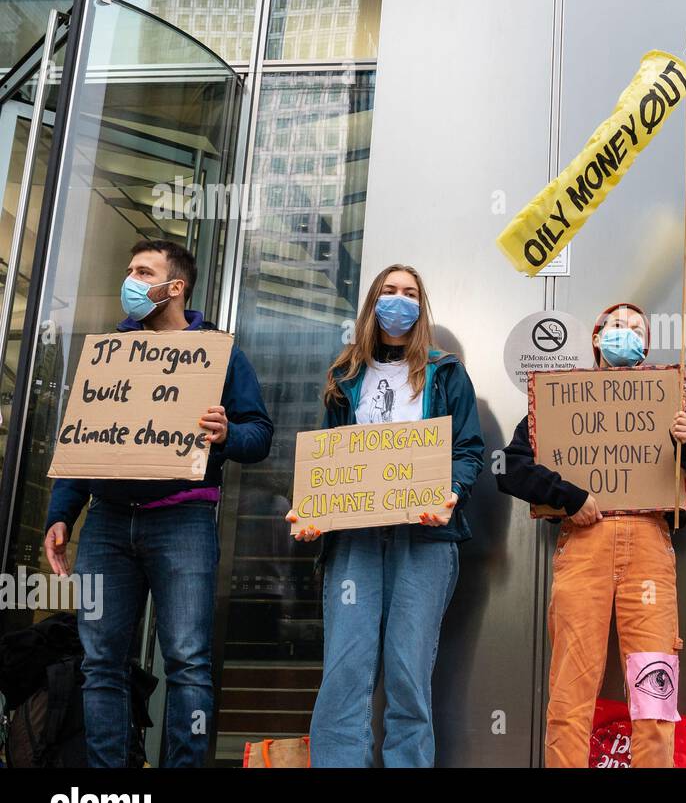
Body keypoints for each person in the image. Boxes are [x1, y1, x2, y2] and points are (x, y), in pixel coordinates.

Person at [43, 239, 273, 767]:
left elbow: (259, 435)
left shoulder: (219, 353)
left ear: (176, 287)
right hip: (105, 524)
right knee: (101, 662)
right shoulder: (110, 352)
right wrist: (61, 514)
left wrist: (226, 434)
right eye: (129, 270)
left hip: (184, 520)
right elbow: (84, 441)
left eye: (142, 272)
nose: (129, 279)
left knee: (188, 662)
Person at [496, 302, 686, 767]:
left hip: (650, 553)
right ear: (597, 337)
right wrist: (569, 496)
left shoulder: (668, 405)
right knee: (570, 689)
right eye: (618, 325)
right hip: (584, 544)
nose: (627, 332)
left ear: (646, 344)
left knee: (654, 692)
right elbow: (510, 468)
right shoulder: (563, 399)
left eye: (637, 328)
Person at [287, 264, 484, 767]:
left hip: (424, 538)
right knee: (344, 674)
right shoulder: (344, 375)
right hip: (354, 539)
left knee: (408, 675)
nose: (400, 300)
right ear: (373, 301)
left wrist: (452, 492)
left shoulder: (446, 371)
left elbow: (468, 449)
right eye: (390, 291)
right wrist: (313, 511)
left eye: (410, 293)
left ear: (422, 306)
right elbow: (328, 459)